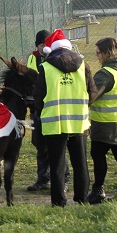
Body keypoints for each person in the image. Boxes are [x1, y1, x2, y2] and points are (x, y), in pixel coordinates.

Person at [33, 29, 97, 207]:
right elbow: (93, 93)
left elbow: (38, 98)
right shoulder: (83, 64)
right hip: (79, 122)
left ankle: (58, 201)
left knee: (57, 165)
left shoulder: (45, 67)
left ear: (51, 49)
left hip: (54, 123)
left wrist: (44, 111)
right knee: (80, 163)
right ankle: (82, 198)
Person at [86, 38, 117, 203]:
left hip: (106, 123)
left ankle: (98, 191)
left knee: (98, 155)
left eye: (98, 53)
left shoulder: (106, 73)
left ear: (108, 53)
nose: (97, 56)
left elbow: (91, 97)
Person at [26, 29, 70, 191]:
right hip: (37, 107)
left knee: (57, 147)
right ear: (37, 46)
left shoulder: (56, 60)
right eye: (41, 44)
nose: (44, 47)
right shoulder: (33, 58)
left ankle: (63, 179)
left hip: (52, 108)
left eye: (46, 43)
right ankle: (43, 178)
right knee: (39, 143)